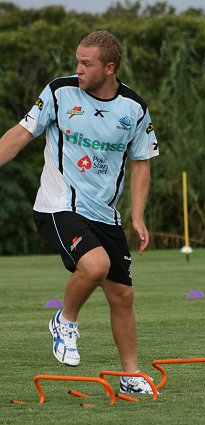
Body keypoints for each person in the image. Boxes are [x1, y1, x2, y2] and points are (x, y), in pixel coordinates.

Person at [0, 30, 159, 395]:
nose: (79, 69)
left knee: (122, 296)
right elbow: (21, 134)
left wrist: (137, 216)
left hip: (105, 214)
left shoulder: (134, 108)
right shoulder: (59, 92)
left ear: (109, 67)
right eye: (77, 61)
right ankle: (65, 321)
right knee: (96, 266)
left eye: (86, 63)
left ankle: (130, 376)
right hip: (59, 206)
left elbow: (141, 163)